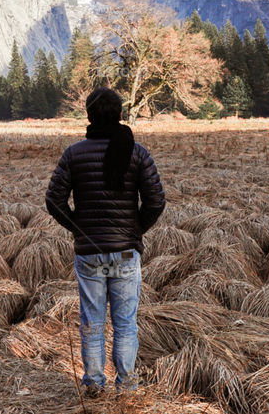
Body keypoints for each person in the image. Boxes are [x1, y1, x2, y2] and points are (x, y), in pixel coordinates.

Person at [44, 87, 166, 398]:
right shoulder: (137, 152)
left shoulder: (74, 154)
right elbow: (155, 200)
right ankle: (125, 387)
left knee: (92, 323)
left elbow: (54, 200)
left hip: (89, 254)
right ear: (120, 115)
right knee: (125, 324)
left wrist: (78, 230)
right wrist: (136, 230)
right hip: (125, 253)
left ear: (88, 115)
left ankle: (94, 385)